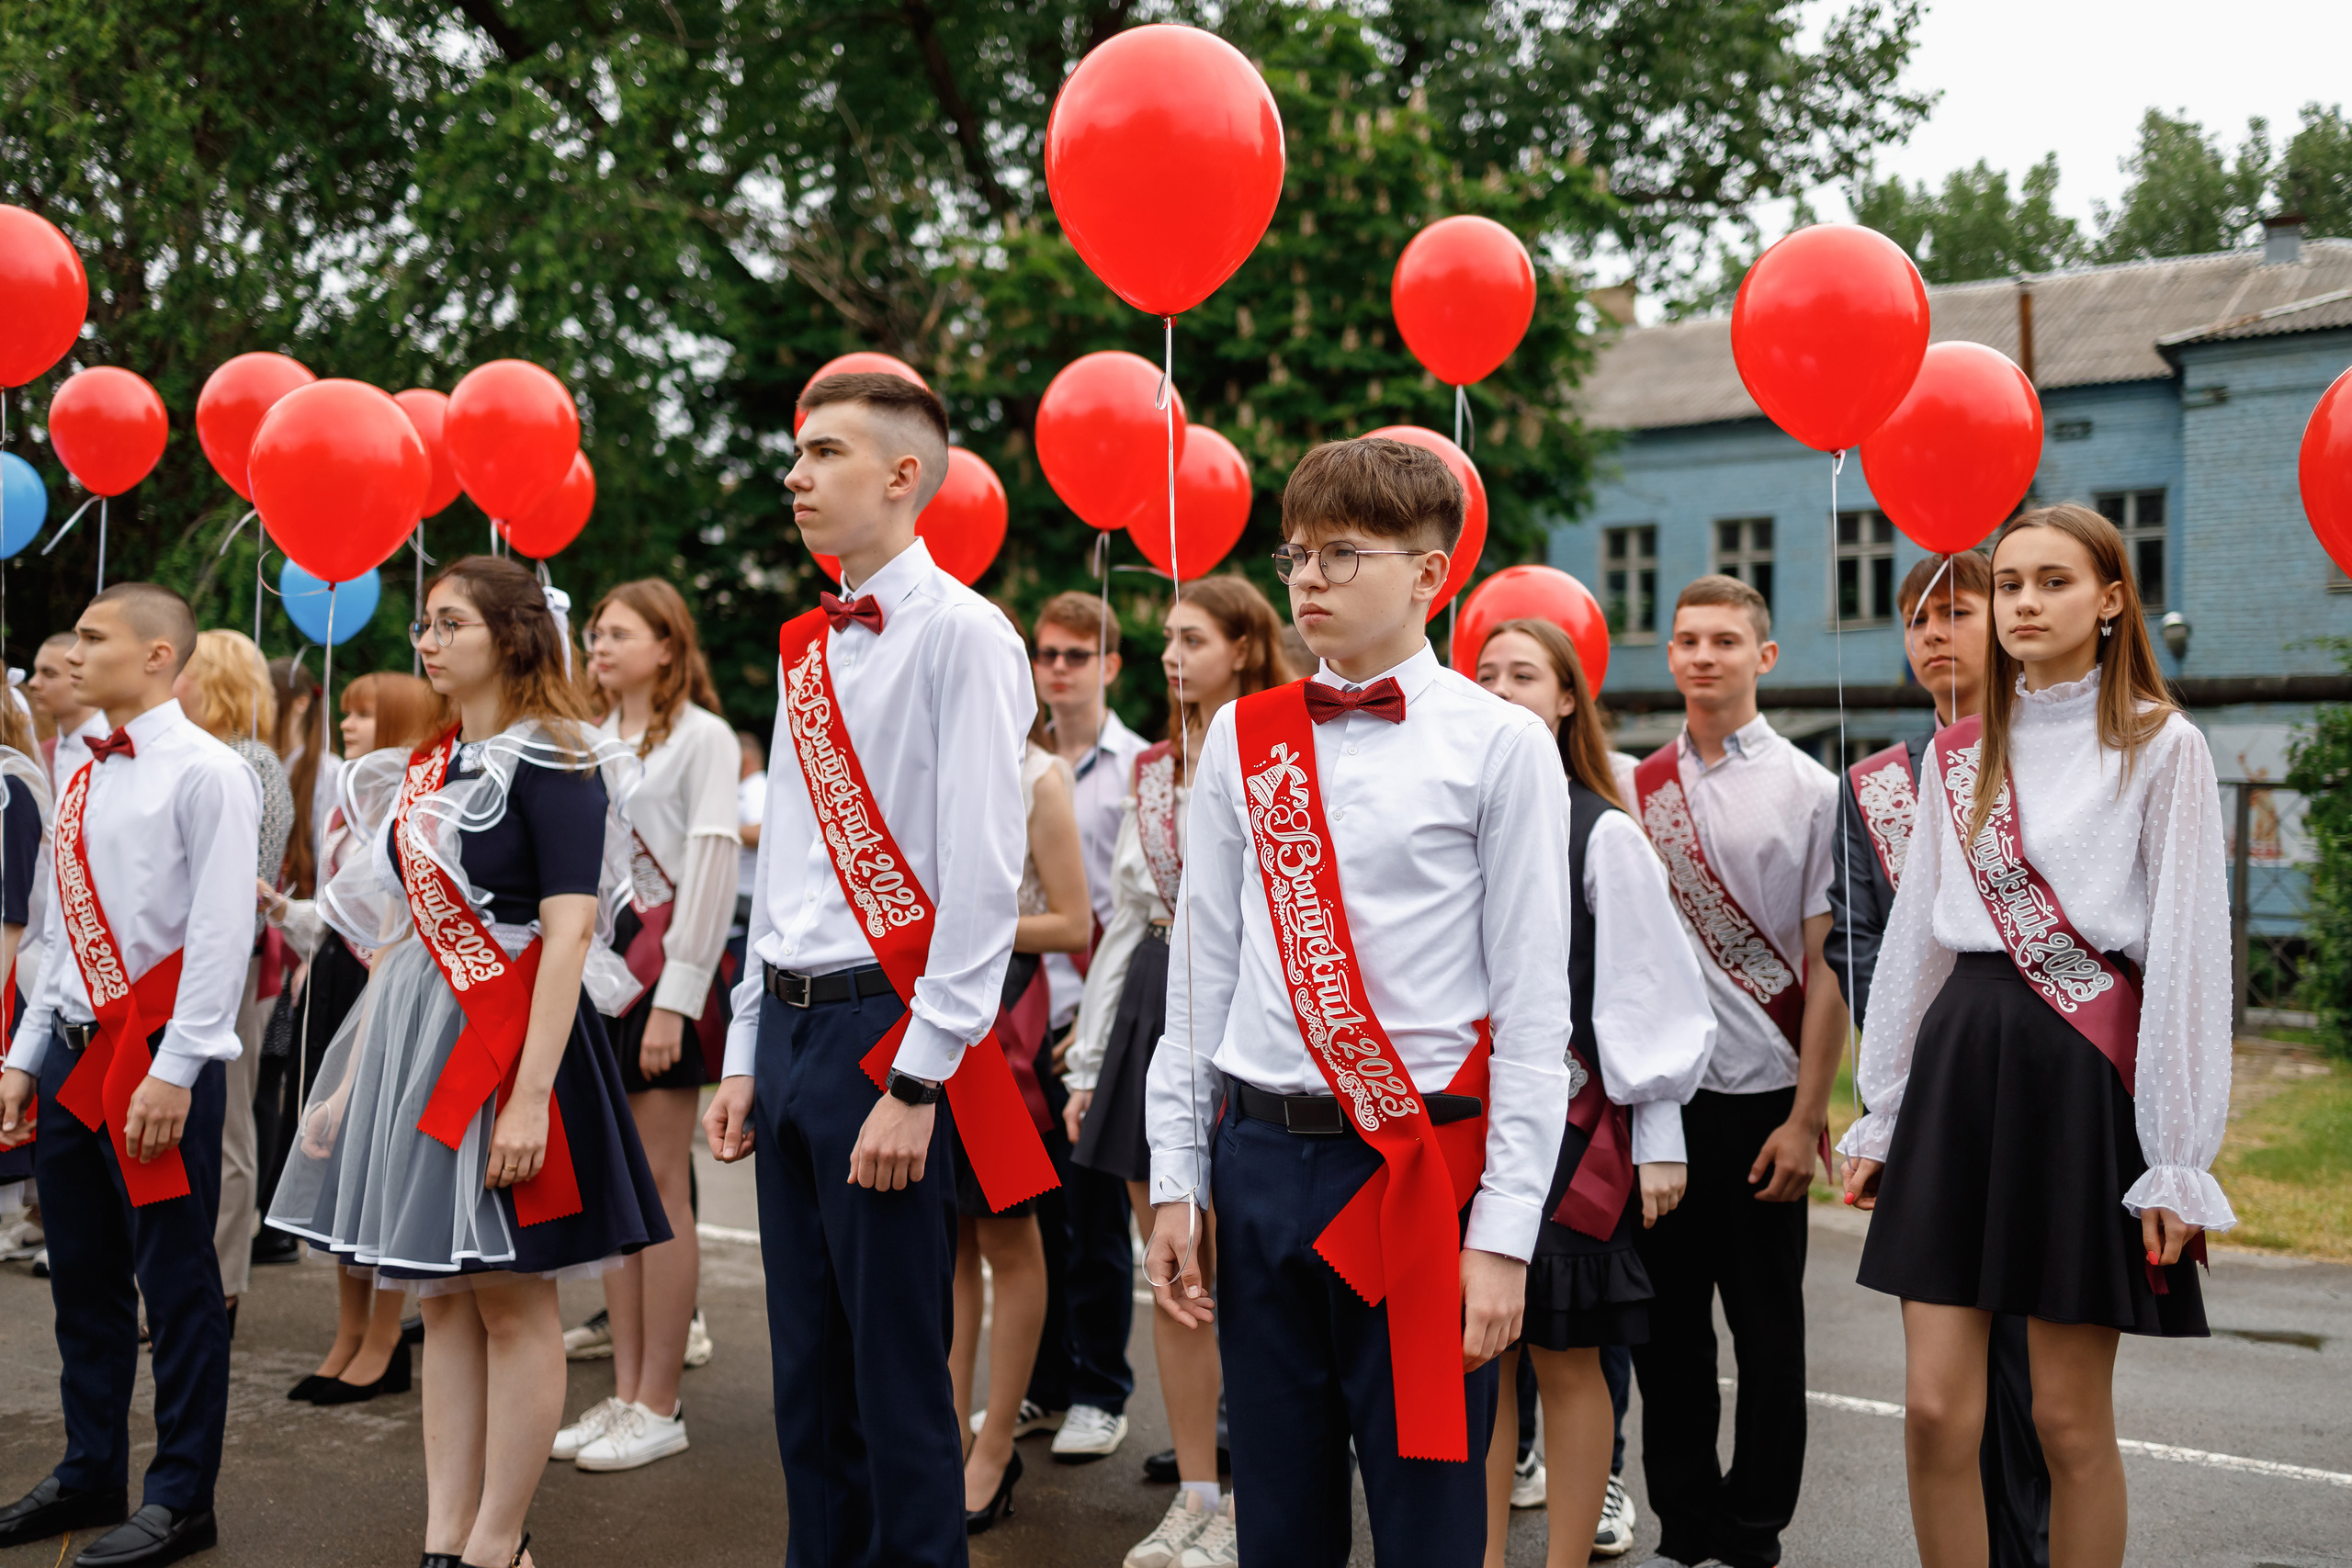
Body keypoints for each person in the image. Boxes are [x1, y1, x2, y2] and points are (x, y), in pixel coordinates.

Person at [1145, 437, 1575, 1567]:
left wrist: (1506, 1238)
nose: (1309, 580)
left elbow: (1536, 1016)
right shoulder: (1245, 736)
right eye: (1296, 554)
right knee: (1277, 1517)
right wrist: (1178, 1178)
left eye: (1344, 553)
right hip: (1257, 1155)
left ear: (1433, 574)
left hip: (1414, 1173)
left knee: (1427, 1516)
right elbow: (1202, 973)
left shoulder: (1503, 745)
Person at [1841, 505, 2233, 1568]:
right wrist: (1884, 1106)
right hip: (1962, 1061)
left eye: (2050, 582)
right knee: (1931, 1410)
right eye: (2008, 584)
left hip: (2077, 1070)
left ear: (2110, 601)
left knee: (2064, 1420)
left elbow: (2190, 954)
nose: (2021, 603)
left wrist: (2176, 1156)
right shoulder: (1957, 751)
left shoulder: (2162, 743)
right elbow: (1920, 936)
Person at [267, 555, 670, 1568]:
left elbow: (572, 933)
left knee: (511, 1297)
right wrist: (355, 1084)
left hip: (510, 1043)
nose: (428, 641)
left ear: (512, 635)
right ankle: (444, 1537)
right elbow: (404, 935)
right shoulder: (429, 766)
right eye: (424, 626)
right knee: (440, 1298)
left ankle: (499, 1540)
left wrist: (529, 1100)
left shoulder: (560, 761)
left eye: (449, 623)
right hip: (414, 1037)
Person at [705, 371, 1041, 1568]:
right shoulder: (807, 642)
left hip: (880, 1035)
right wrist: (745, 1049)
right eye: (798, 453)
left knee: (897, 1378)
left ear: (904, 475)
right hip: (791, 1026)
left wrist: (916, 1078)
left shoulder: (965, 635)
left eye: (824, 451)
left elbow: (982, 876)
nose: (795, 474)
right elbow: (787, 862)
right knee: (805, 1372)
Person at [0, 582, 263, 1567]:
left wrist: (178, 1067)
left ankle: (181, 1496)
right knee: (83, 1278)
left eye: (96, 638)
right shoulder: (81, 769)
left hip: (155, 1060)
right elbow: (62, 933)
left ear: (159, 655)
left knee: (177, 1282)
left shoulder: (209, 772)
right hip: (73, 1054)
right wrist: (25, 1056)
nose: (75, 651)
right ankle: (88, 1471)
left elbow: (219, 932)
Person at [1825, 551, 2053, 1568]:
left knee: (2044, 1373)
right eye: (1916, 618)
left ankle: (2032, 1543)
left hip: (2045, 1081)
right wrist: (1908, 1067)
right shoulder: (1878, 782)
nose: (1932, 635)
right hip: (1933, 1087)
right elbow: (1861, 939)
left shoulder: (2055, 755)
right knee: (1943, 1387)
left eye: (1955, 611)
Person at [1472, 619, 1714, 1568]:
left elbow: (1647, 987)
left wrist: (1658, 1131)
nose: (1498, 688)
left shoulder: (1602, 829)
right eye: (1482, 673)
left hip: (1574, 1136)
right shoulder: (1455, 819)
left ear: (1567, 698)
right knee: (1478, 1360)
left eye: (1522, 674)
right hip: (1468, 1126)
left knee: (1566, 1358)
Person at [1062, 575, 1289, 1564]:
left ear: (1243, 646)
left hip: (1260, 1000)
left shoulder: (1288, 746)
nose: (1168, 654)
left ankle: (1255, 1491)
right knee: (1175, 1265)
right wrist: (1085, 1061)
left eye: (1190, 637)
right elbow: (1120, 920)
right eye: (1164, 637)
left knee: (1248, 1269)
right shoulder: (1152, 770)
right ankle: (1197, 1489)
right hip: (1161, 993)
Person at [1625, 574, 1845, 1568]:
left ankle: (1754, 1531)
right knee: (1665, 1337)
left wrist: (1807, 1118)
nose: (1702, 656)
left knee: (1766, 1338)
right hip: (1662, 1106)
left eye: (1723, 640)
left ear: (1763, 657)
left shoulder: (1811, 791)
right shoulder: (1633, 789)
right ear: (1667, 656)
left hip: (1761, 1103)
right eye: (1685, 640)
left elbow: (1822, 965)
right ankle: (1684, 1523)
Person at [548, 581, 739, 1473]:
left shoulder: (701, 739)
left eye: (618, 632)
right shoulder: (590, 739)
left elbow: (707, 870)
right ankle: (623, 1391)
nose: (598, 644)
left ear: (668, 646)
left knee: (659, 1189)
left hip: (665, 982)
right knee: (613, 1193)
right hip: (596, 982)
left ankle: (660, 1398)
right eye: (593, 631)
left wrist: (678, 998)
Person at [259, 671, 447, 1405]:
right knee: (329, 1152)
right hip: (337, 979)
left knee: (383, 1155)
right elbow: (342, 919)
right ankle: (346, 1331)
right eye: (347, 713)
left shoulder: (421, 796)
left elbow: (399, 925)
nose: (350, 726)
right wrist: (287, 912)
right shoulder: (351, 804)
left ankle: (384, 1337)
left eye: (366, 714)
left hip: (389, 987)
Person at [951, 618, 1091, 1530]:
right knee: (946, 1246)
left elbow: (1073, 923)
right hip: (924, 1021)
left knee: (1008, 1238)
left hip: (1002, 1031)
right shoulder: (928, 764)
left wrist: (967, 926)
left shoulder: (1038, 777)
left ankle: (997, 1442)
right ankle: (946, 1433)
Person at [1022, 591, 1148, 1467]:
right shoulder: (1017, 760)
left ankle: (1101, 1388)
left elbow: (1128, 910)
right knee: (1023, 1216)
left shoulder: (1139, 767)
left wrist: (1092, 1028)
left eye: (1076, 655)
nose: (1057, 669)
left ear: (1108, 665)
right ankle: (1045, 1379)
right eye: (1046, 654)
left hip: (1091, 1012)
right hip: (1019, 1008)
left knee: (1094, 1217)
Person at [172, 630, 296, 1330]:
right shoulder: (190, 754)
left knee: (228, 1123)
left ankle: (219, 1282)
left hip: (231, 967)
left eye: (188, 665)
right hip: (184, 966)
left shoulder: (250, 761)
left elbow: (249, 884)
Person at [27, 631, 107, 789]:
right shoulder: (42, 751)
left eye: (49, 674)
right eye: (35, 672)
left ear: (83, 677)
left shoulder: (110, 745)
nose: (33, 682)